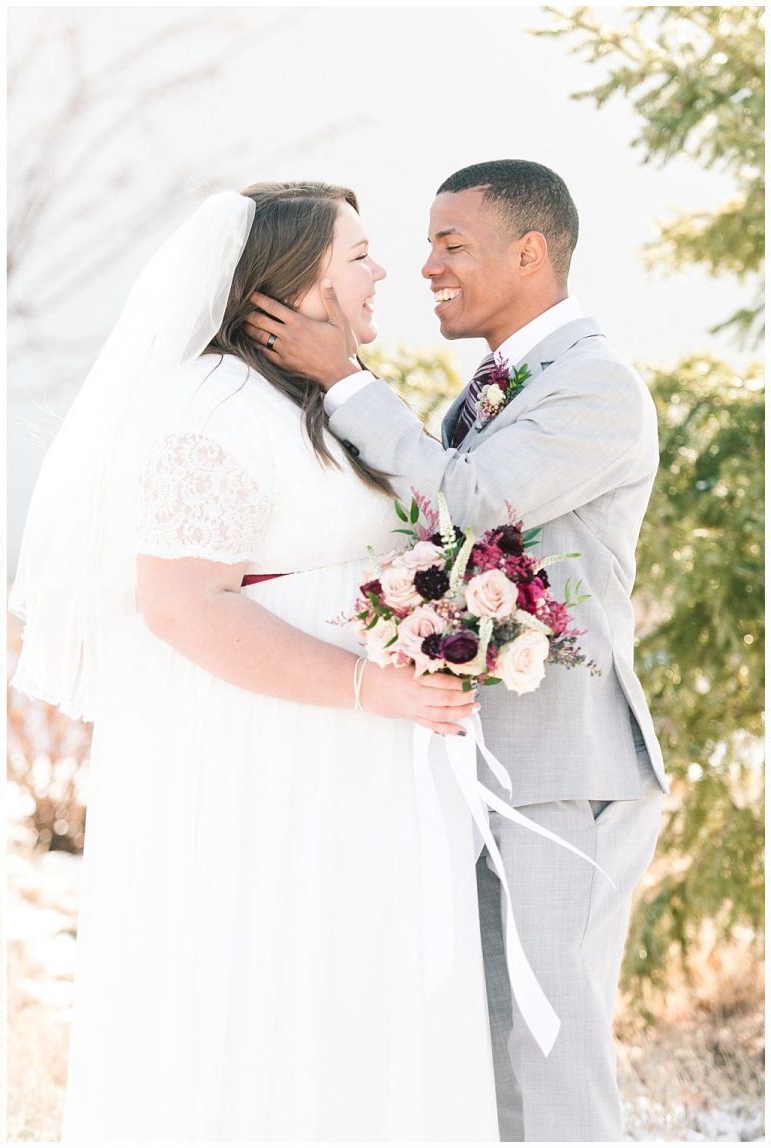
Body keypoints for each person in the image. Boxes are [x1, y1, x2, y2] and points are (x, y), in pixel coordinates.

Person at [11, 183, 496, 1140]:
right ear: (293, 283)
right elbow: (185, 606)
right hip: (257, 773)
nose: (384, 270)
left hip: (334, 773)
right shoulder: (211, 407)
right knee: (266, 1000)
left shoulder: (311, 399)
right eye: (358, 254)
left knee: (345, 1006)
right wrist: (373, 683)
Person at [246, 159, 666, 1141]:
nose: (423, 263)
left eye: (451, 243)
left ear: (531, 250)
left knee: (556, 1049)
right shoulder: (483, 393)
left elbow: (472, 501)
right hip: (482, 765)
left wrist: (344, 378)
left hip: (568, 763)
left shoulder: (596, 386)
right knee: (491, 1049)